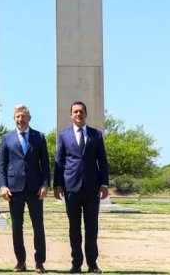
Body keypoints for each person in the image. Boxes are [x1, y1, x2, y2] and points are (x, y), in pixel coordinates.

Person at [53, 101, 109, 274]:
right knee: (74, 228)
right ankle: (76, 263)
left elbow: (103, 161)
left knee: (92, 227)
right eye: (75, 112)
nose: (78, 114)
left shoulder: (96, 135)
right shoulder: (64, 136)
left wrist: (104, 183)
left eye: (81, 112)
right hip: (71, 188)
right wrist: (57, 185)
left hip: (92, 188)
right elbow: (59, 162)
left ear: (86, 114)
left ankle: (92, 264)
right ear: (71, 115)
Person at [0, 104, 50, 274]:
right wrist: (3, 185)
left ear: (29, 118)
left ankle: (39, 262)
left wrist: (45, 184)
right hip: (14, 189)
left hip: (35, 189)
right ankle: (20, 261)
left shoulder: (39, 137)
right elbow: (2, 164)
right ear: (14, 118)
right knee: (16, 227)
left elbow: (45, 164)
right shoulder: (7, 138)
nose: (20, 120)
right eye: (17, 117)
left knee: (38, 226)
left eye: (23, 116)